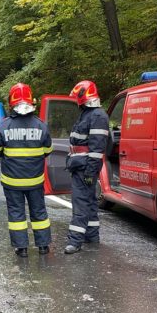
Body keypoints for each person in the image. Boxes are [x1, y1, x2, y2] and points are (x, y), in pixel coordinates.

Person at [0, 83, 53, 257]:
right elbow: (48, 151)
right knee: (39, 211)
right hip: (35, 180)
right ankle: (43, 246)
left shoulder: (4, 126)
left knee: (16, 213)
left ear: (11, 102)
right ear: (31, 101)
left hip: (12, 181)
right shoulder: (41, 126)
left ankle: (22, 248)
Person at [65, 80, 109, 254]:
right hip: (80, 165)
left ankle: (75, 241)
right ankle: (92, 236)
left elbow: (97, 149)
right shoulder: (88, 114)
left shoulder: (97, 116)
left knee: (80, 204)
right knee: (89, 203)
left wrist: (90, 172)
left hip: (85, 167)